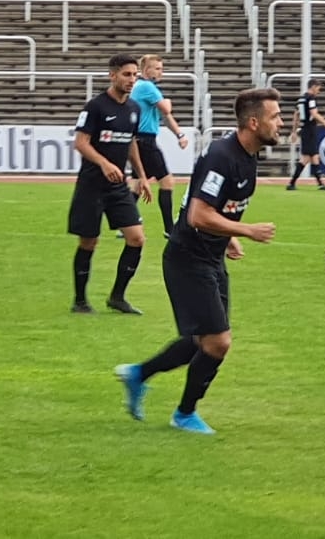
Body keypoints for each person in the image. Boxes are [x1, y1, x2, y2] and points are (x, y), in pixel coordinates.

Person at [113, 88, 281, 435]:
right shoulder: (222, 156)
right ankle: (184, 414)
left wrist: (228, 235)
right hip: (188, 259)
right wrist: (246, 230)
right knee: (218, 341)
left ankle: (138, 374)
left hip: (211, 258)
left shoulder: (247, 156)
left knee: (205, 340)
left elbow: (212, 205)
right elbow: (198, 215)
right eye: (275, 117)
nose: (281, 122)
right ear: (254, 122)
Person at [69, 54, 152, 315]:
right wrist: (104, 163)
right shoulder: (95, 107)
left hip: (118, 186)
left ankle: (117, 297)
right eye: (127, 74)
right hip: (92, 185)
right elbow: (81, 143)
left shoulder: (134, 109)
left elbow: (130, 143)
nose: (131, 79)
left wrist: (142, 176)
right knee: (89, 242)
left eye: (135, 75)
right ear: (112, 75)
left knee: (136, 238)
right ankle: (80, 301)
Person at [129, 54, 189, 238]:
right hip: (145, 141)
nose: (161, 72)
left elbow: (165, 116)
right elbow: (166, 109)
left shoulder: (144, 87)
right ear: (146, 70)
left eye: (161, 68)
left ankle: (125, 222)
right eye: (157, 68)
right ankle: (169, 229)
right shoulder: (147, 87)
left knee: (137, 183)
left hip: (139, 140)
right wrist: (168, 102)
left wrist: (179, 134)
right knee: (167, 181)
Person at [286, 79, 325, 190]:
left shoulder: (301, 99)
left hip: (305, 129)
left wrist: (294, 131)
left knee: (314, 156)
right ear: (313, 86)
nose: (319, 90)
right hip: (310, 129)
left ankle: (320, 183)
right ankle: (292, 183)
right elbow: (314, 113)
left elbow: (296, 115)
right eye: (318, 88)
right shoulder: (311, 99)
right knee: (306, 158)